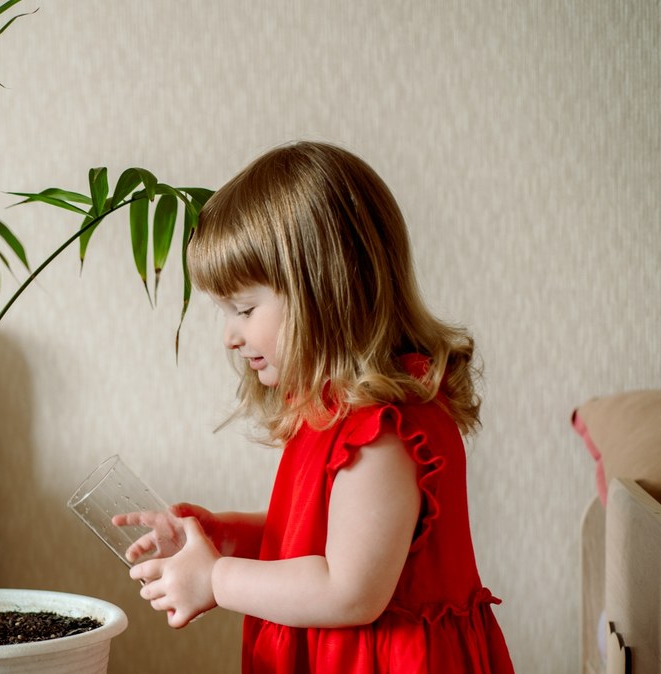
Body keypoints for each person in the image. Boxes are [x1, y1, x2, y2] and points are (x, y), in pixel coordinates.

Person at [116, 141, 515, 672]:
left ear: (326, 290)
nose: (230, 337)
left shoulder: (383, 433)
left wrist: (216, 578)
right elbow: (329, 536)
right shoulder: (332, 411)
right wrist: (234, 536)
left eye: (244, 308)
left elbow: (349, 589)